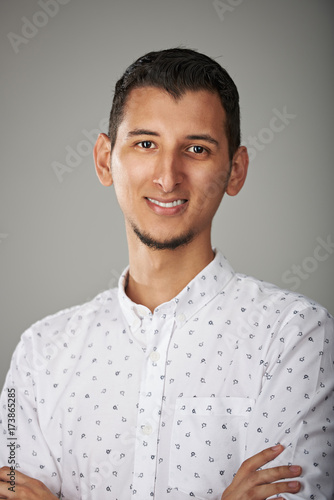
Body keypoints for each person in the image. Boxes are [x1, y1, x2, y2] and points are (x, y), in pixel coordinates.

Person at [0, 48, 333, 500]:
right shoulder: (39, 356)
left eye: (196, 149)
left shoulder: (296, 336)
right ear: (104, 159)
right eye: (145, 143)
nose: (167, 176)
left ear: (235, 170)